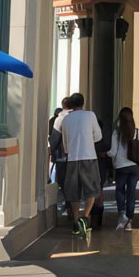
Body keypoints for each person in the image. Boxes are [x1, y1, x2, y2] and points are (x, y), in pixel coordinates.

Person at [55, 92, 101, 238]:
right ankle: (85, 217)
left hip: (73, 158)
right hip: (89, 157)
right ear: (83, 103)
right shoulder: (90, 115)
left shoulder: (66, 119)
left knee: (73, 192)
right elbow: (98, 136)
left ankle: (75, 221)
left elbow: (65, 143)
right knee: (92, 190)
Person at [107, 107, 139, 232]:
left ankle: (122, 214)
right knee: (131, 193)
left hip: (121, 167)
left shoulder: (116, 133)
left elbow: (112, 152)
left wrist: (104, 153)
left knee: (120, 191)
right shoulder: (138, 132)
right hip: (135, 167)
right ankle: (130, 220)